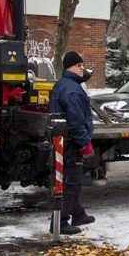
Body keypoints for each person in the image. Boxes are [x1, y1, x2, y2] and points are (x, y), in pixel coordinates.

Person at [48, 50, 96, 235]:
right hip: (71, 143)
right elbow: (76, 122)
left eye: (83, 65)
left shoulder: (64, 84)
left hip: (63, 141)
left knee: (74, 179)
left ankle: (78, 213)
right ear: (69, 67)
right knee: (71, 181)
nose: (82, 68)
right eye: (79, 65)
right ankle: (60, 222)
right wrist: (85, 144)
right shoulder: (72, 90)